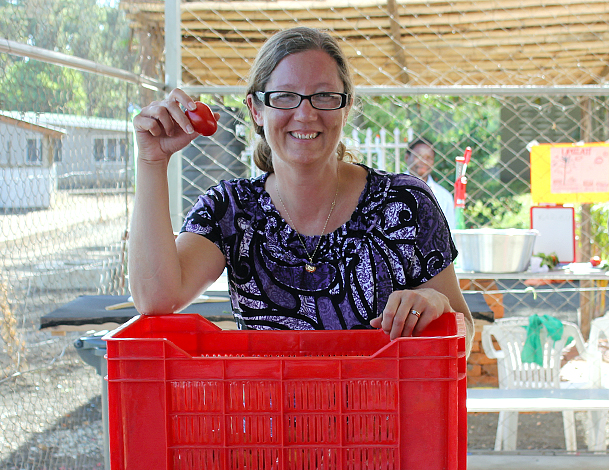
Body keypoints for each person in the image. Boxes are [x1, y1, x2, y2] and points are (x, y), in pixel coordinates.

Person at [128, 27, 473, 351]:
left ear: (346, 106)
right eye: (285, 97)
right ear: (256, 110)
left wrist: (436, 305)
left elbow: (464, 334)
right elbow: (156, 299)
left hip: (383, 415)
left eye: (324, 96)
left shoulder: (404, 203)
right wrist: (151, 162)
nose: (305, 114)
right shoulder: (231, 210)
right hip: (269, 414)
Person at [405, 138, 456, 229]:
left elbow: (450, 235)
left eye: (429, 158)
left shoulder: (444, 197)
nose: (424, 161)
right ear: (407, 158)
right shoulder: (389, 190)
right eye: (419, 156)